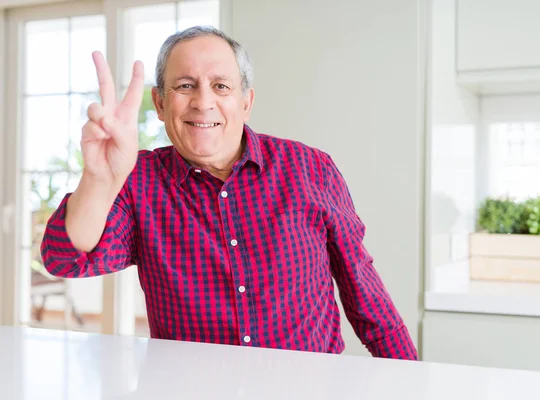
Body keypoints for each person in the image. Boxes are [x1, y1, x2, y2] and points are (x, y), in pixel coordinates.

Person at [41, 26, 417, 360]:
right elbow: (65, 259)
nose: (203, 102)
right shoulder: (139, 181)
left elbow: (365, 293)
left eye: (221, 86)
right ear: (159, 102)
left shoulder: (310, 168)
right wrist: (100, 178)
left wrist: (412, 383)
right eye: (185, 85)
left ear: (246, 102)